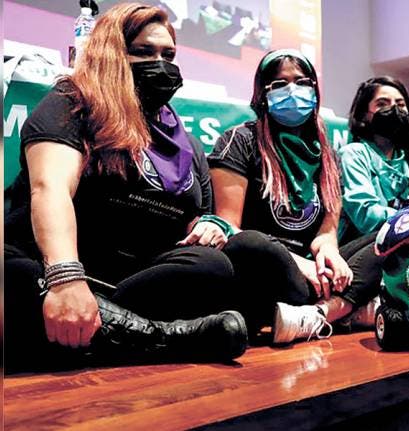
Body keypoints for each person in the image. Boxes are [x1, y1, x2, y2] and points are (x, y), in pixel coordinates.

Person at [3, 3, 248, 373]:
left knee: (212, 266)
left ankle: (92, 332)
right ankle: (169, 338)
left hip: (127, 278)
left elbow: (194, 218)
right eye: (144, 52)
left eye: (168, 55)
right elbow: (49, 187)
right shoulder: (72, 103)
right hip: (52, 264)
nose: (160, 64)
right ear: (112, 54)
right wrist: (66, 279)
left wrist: (207, 227)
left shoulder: (185, 142)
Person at [209, 49, 381, 345]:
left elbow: (326, 231)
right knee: (251, 242)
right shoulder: (240, 140)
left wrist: (329, 253)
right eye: (280, 84)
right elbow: (228, 229)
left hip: (313, 271)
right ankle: (348, 307)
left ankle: (318, 314)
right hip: (270, 267)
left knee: (391, 235)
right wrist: (301, 264)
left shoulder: (327, 154)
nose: (293, 91)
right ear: (262, 94)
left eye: (302, 82)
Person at [338, 76, 409, 242]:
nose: (393, 109)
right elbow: (366, 217)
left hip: (405, 242)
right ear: (364, 114)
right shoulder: (354, 153)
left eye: (400, 105)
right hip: (365, 244)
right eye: (382, 104)